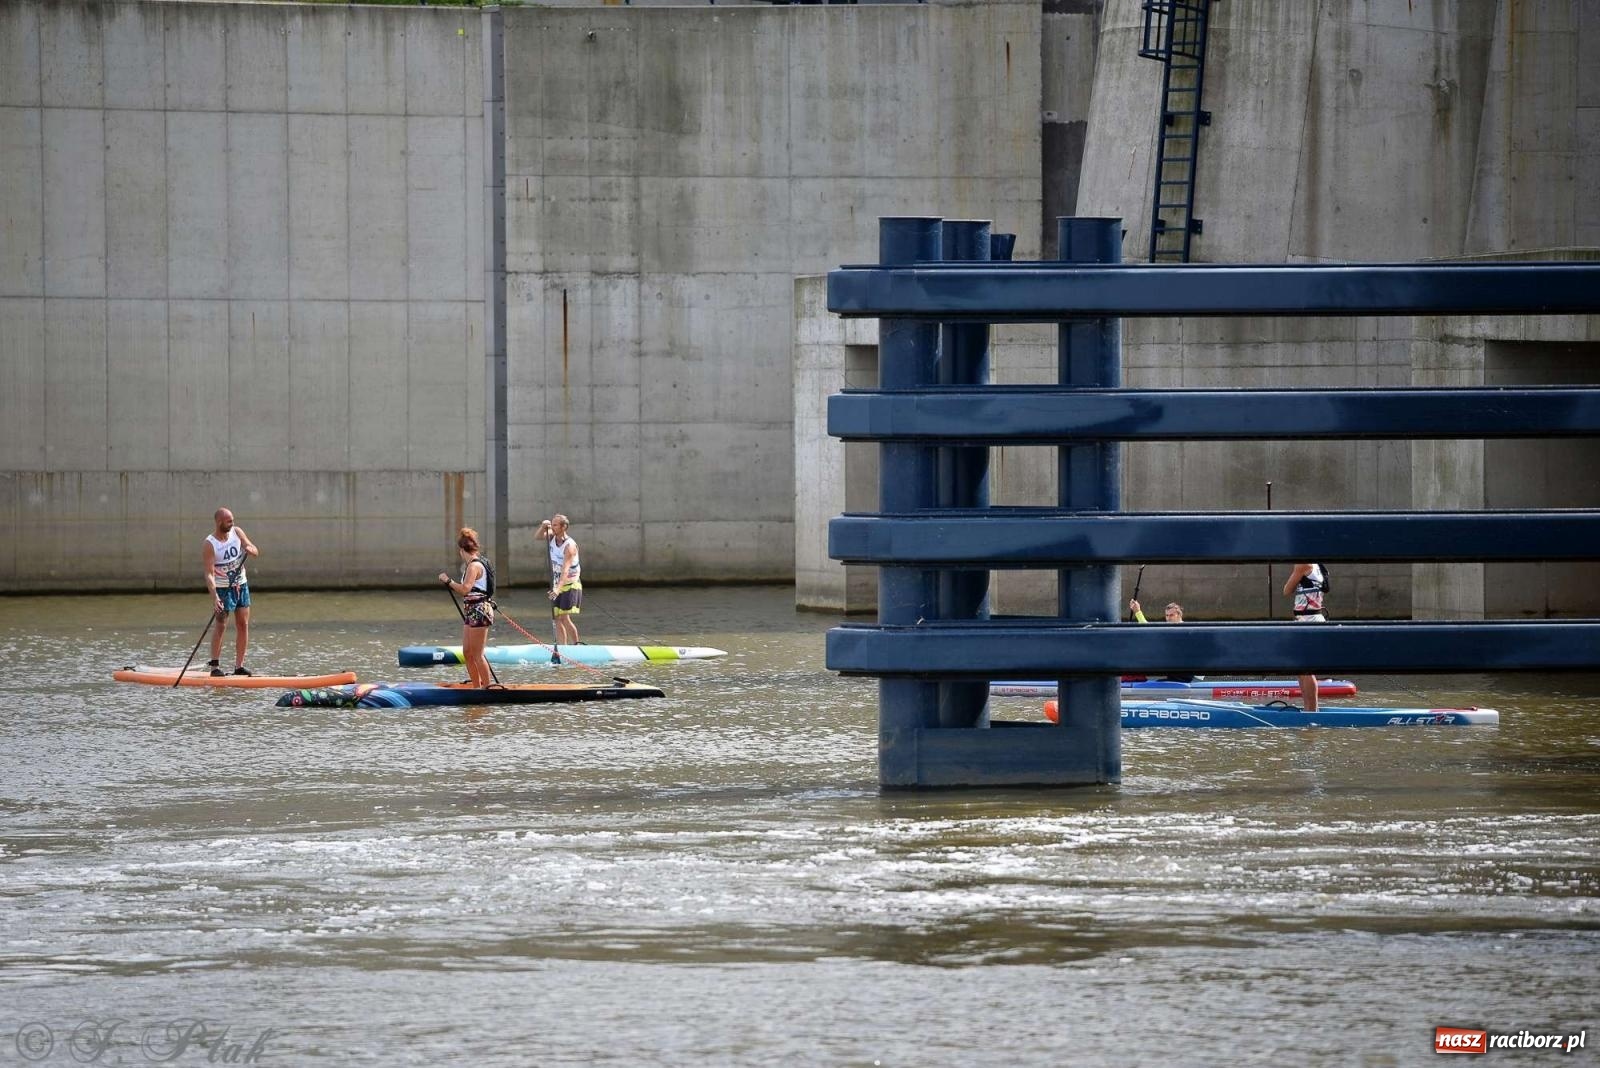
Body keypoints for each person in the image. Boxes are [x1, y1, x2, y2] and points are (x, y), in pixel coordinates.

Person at [203, 507, 259, 676]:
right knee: (221, 625)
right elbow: (209, 574)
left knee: (243, 624)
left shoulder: (237, 532)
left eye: (233, 520)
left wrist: (250, 549)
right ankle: (215, 667)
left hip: (241, 585)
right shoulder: (210, 544)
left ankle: (239, 666)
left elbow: (255, 550)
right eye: (229, 521)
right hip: (222, 588)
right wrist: (215, 598)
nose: (232, 523)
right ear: (219, 522)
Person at [438, 527, 495, 689]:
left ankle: (487, 688)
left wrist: (448, 581)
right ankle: (476, 688)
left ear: (462, 550)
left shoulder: (474, 566)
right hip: (471, 610)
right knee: (467, 653)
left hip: (479, 610)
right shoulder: (472, 564)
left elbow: (464, 589)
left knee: (477, 654)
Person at [1283, 562, 1328, 711]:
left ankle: (1312, 712)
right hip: (1309, 620)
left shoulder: (1303, 564)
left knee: (1306, 670)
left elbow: (1287, 590)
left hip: (1308, 621)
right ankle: (1308, 709)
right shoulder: (1319, 566)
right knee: (1301, 669)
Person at [537, 514, 582, 646]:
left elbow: (565, 570)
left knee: (564, 617)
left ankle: (576, 645)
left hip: (569, 584)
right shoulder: (551, 536)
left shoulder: (570, 546)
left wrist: (557, 589)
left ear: (564, 527)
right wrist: (543, 527)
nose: (552, 526)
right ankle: (563, 648)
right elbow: (538, 537)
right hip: (557, 584)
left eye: (555, 525)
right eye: (552, 524)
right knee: (557, 618)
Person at [1129, 599, 1196, 683]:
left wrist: (1138, 612)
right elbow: (1149, 630)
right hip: (1175, 672)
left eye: (1171, 615)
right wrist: (1137, 611)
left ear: (1179, 615)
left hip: (1184, 674)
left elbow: (1149, 630)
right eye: (1167, 615)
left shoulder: (1185, 629)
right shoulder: (1169, 629)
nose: (1168, 618)